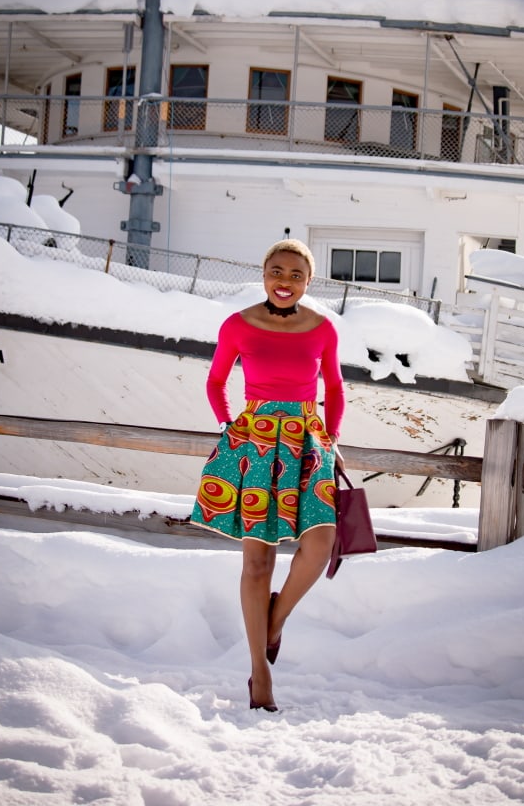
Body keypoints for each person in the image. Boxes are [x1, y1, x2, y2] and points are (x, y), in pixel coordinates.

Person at [191, 239, 345, 712]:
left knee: (319, 545)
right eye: (276, 272)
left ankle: (274, 621)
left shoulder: (323, 329)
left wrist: (331, 437)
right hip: (253, 442)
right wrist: (227, 422)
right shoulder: (237, 325)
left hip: (307, 440)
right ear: (263, 275)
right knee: (258, 563)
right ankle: (260, 673)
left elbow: (335, 388)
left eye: (295, 275)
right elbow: (216, 380)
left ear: (307, 282)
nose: (285, 281)